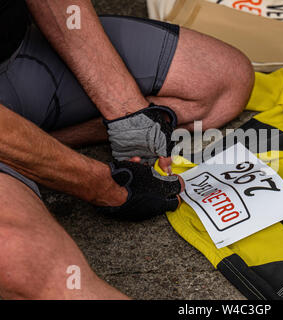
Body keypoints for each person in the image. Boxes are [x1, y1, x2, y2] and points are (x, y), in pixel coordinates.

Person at [0, 0, 254, 299]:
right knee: (43, 276)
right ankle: (21, 152)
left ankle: (25, 145)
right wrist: (103, 185)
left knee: (224, 81)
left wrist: (129, 114)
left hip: (16, 59)